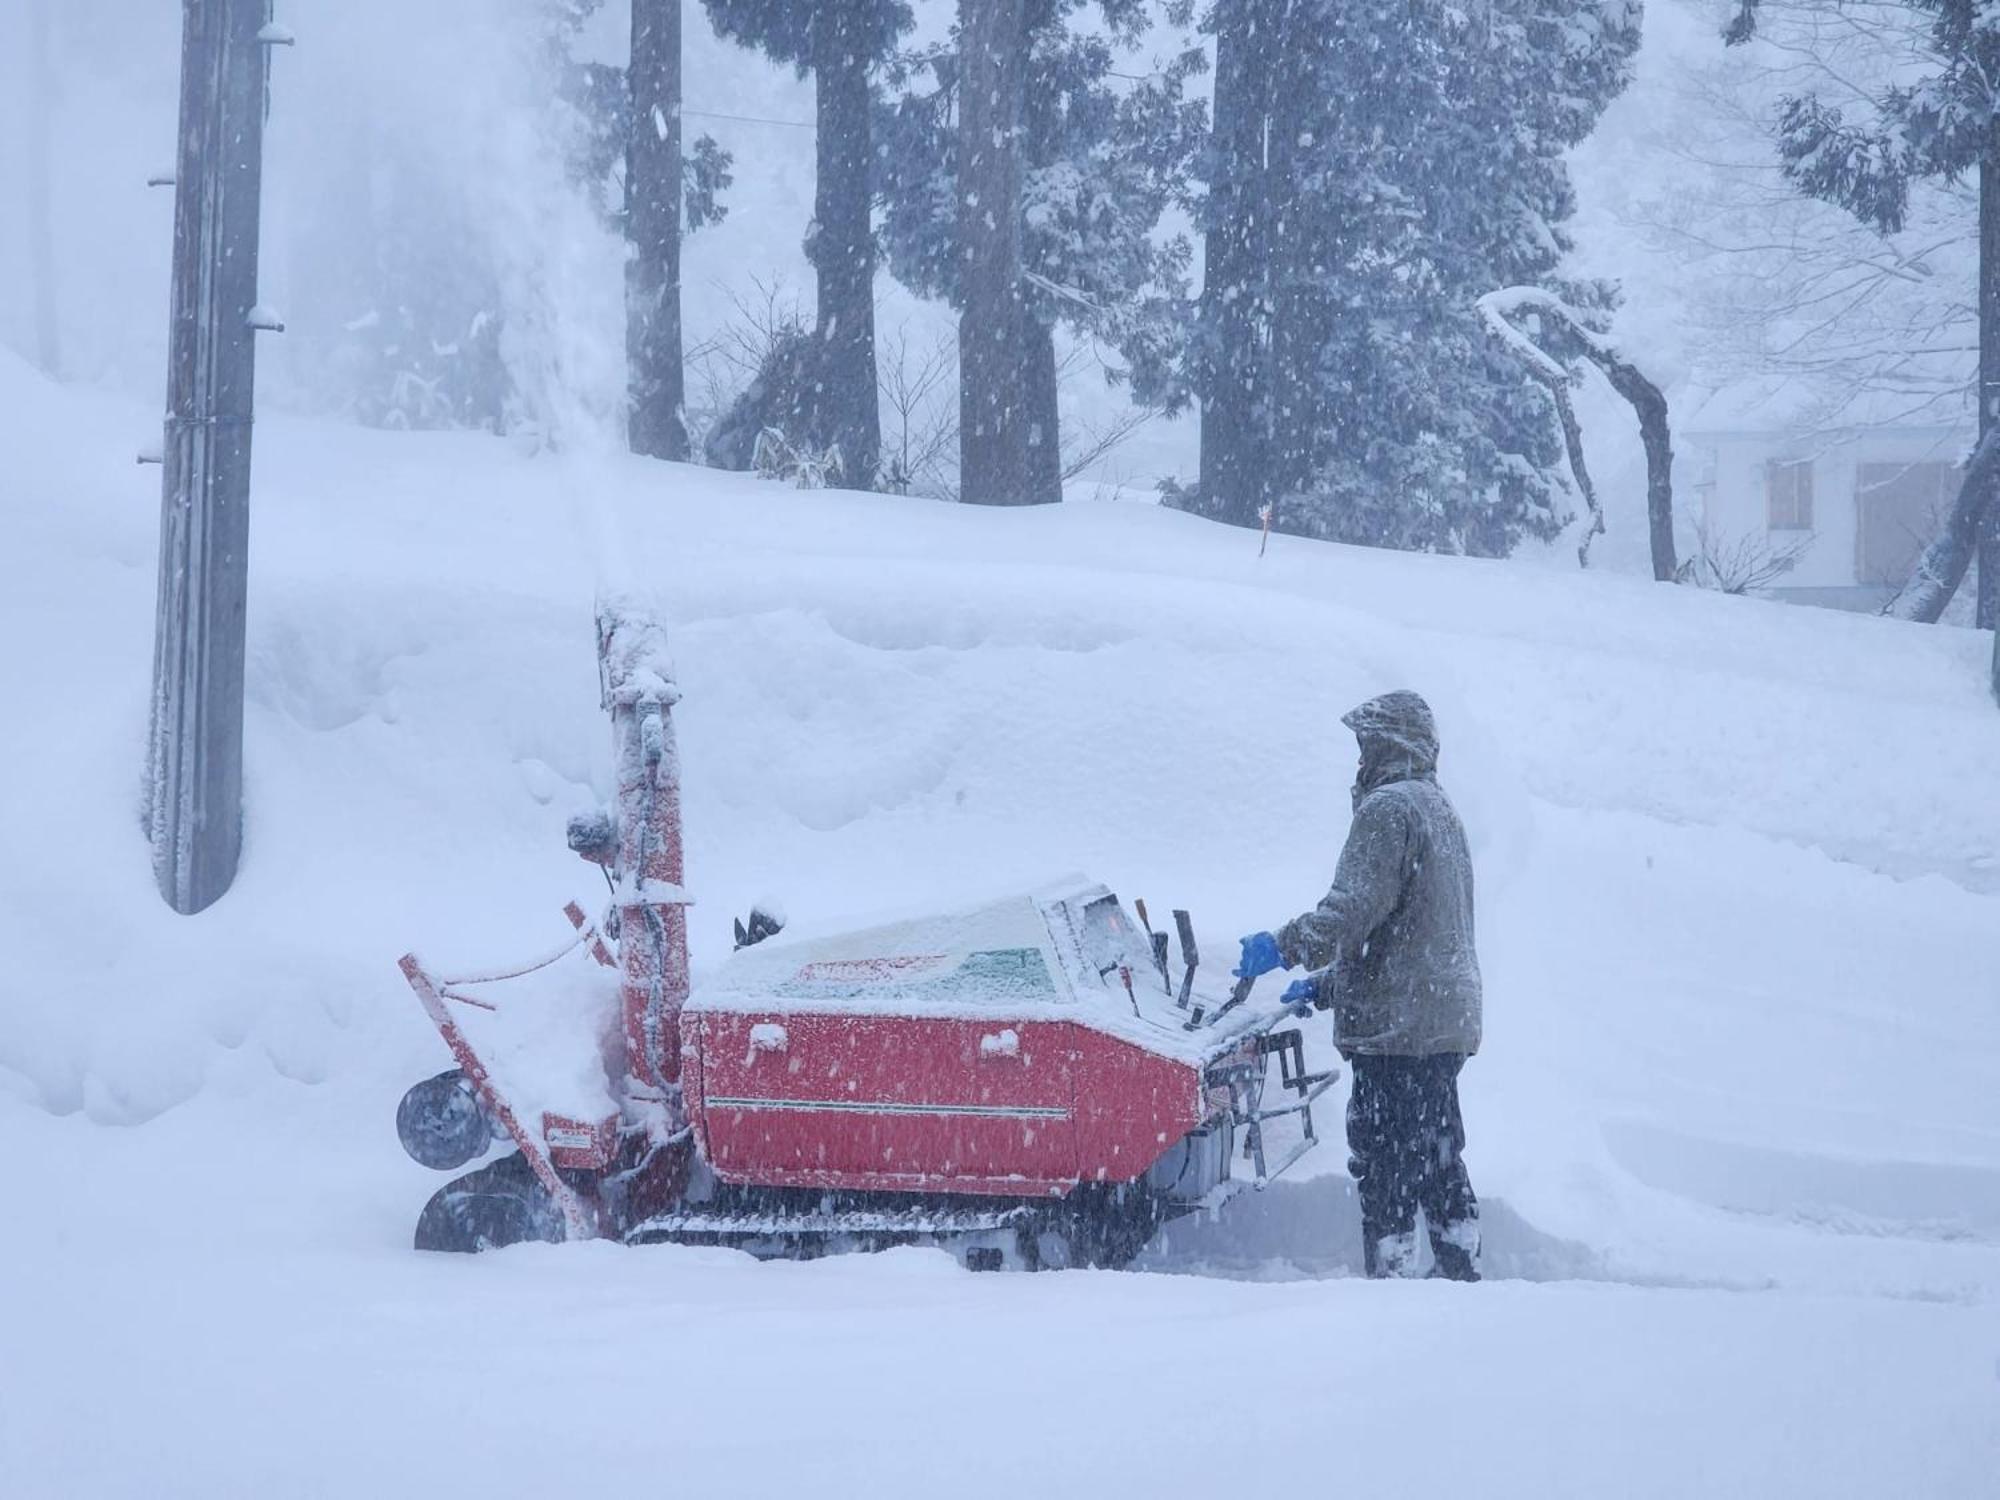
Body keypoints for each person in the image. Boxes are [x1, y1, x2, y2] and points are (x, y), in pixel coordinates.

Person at [1234, 690, 1483, 1281]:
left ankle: (1392, 1283)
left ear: (1387, 745)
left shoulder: (1388, 809)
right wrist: (1327, 986)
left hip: (1399, 1029)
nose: (1359, 760)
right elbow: (1405, 931)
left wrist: (1286, 944)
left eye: (1365, 745)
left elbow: (1351, 912)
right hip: (1440, 1020)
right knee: (1438, 1152)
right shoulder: (1438, 808)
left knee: (1388, 1157)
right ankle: (1460, 1268)